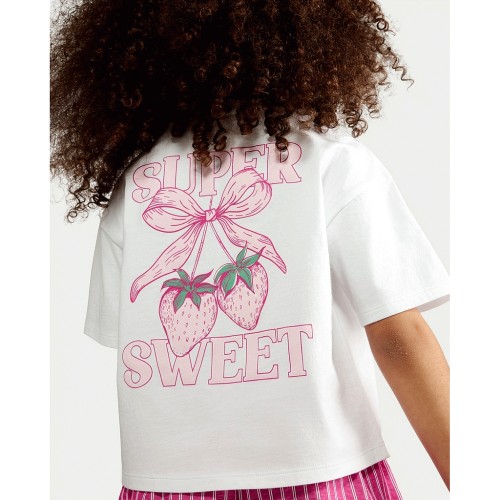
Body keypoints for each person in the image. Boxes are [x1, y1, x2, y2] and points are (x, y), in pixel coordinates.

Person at [50, 1, 450, 499]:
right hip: (321, 478)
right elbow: (397, 338)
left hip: (166, 485)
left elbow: (128, 328)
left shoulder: (136, 187)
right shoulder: (333, 167)